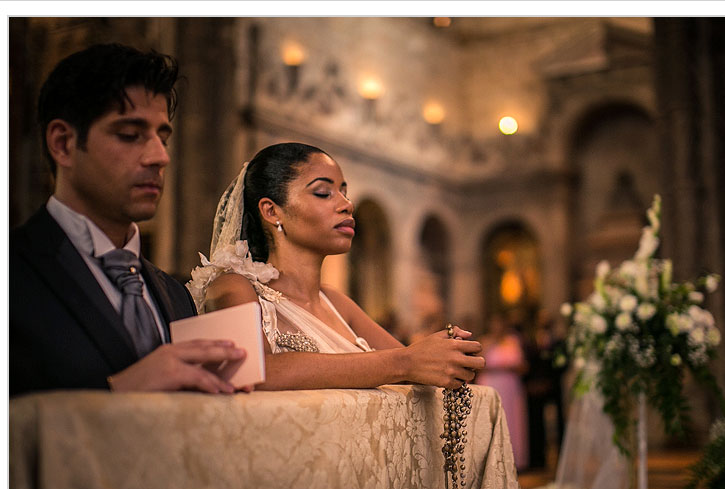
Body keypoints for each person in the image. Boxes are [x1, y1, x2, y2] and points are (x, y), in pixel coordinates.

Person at [10, 43, 247, 397]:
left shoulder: (174, 294)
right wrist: (118, 390)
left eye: (162, 137)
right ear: (63, 143)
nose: (159, 156)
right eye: (130, 135)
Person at [187, 143, 484, 390]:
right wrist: (405, 363)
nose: (346, 204)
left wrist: (442, 353)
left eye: (344, 191)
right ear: (271, 210)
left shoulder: (337, 303)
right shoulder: (231, 286)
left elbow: (411, 365)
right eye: (323, 193)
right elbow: (253, 372)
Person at [475, 313, 529, 470]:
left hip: (510, 386)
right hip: (491, 383)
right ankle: (492, 459)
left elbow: (522, 365)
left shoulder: (513, 341)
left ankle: (515, 458)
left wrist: (511, 367)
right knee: (492, 419)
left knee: (511, 419)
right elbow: (478, 364)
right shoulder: (485, 341)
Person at [524, 311, 567, 470]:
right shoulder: (530, 340)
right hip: (534, 387)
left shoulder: (559, 342)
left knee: (559, 421)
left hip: (552, 386)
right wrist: (532, 382)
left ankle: (562, 457)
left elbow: (563, 364)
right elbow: (527, 362)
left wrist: (549, 381)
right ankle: (538, 459)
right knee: (535, 423)